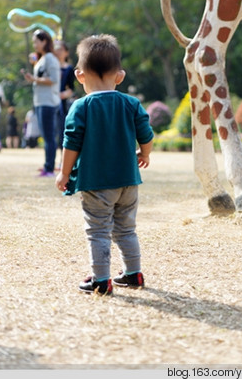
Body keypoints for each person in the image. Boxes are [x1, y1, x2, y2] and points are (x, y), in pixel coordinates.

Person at [55, 34, 153, 295]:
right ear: (119, 76)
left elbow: (71, 143)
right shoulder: (131, 104)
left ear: (80, 75)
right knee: (126, 229)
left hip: (97, 183)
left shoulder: (80, 107)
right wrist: (145, 154)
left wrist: (64, 173)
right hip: (129, 181)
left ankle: (100, 280)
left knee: (98, 231)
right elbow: (147, 134)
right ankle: (133, 274)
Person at [22, 30, 60, 176]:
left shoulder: (50, 58)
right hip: (40, 102)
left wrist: (34, 79)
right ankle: (47, 166)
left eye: (36, 41)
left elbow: (54, 79)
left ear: (44, 41)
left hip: (48, 103)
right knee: (45, 136)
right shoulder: (42, 58)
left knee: (49, 137)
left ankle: (49, 168)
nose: (34, 44)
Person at [54, 40, 76, 163]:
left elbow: (71, 89)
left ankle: (63, 161)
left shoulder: (68, 69)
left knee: (62, 131)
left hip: (61, 104)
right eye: (56, 49)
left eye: (60, 49)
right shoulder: (50, 65)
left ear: (66, 53)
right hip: (49, 102)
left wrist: (61, 95)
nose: (57, 52)